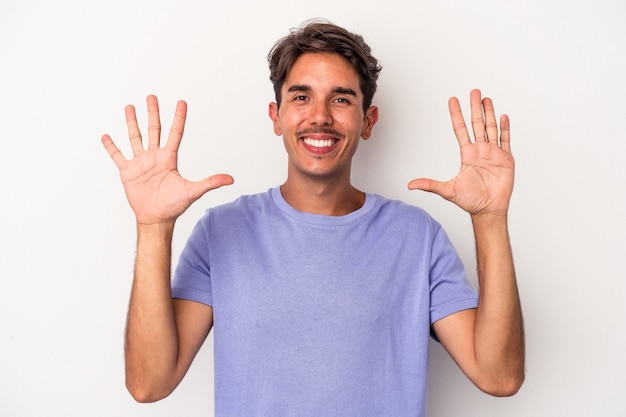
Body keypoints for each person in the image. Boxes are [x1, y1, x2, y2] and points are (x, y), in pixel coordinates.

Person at [102, 20, 524, 416]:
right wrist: (154, 228)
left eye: (341, 99)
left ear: (368, 121)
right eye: (301, 97)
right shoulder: (221, 232)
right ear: (276, 116)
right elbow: (149, 384)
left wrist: (490, 219)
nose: (320, 115)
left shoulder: (418, 237)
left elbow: (499, 376)